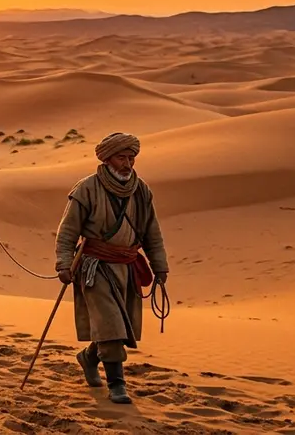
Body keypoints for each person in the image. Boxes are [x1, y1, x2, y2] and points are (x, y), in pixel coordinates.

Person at [54, 132, 170, 404]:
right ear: (107, 159)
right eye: (122, 157)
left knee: (118, 327)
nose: (127, 164)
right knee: (111, 324)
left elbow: (153, 232)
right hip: (95, 268)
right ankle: (117, 384)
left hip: (128, 267)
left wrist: (160, 266)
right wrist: (63, 263)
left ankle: (88, 357)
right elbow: (68, 232)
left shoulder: (142, 190)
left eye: (131, 158)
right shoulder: (86, 189)